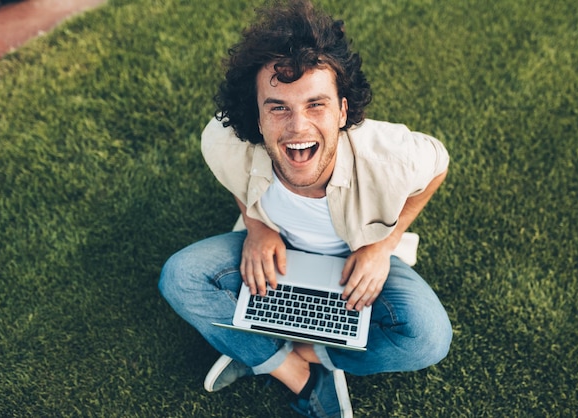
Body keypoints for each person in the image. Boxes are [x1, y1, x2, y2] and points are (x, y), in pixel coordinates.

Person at [159, 1, 452, 417]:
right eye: (278, 106)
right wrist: (256, 226)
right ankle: (296, 374)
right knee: (180, 277)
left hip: (354, 254)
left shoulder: (392, 156)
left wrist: (382, 246)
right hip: (278, 250)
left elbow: (437, 166)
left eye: (316, 104)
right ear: (256, 117)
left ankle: (298, 352)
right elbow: (233, 175)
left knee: (428, 337)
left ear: (343, 110)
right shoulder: (223, 141)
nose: (298, 128)